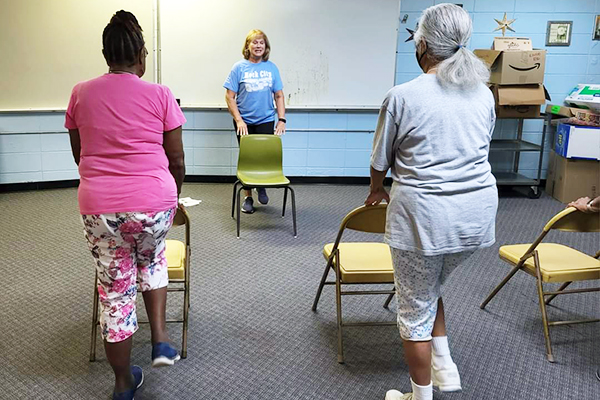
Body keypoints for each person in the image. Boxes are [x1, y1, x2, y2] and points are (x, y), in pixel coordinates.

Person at [364, 4, 497, 400]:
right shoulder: (484, 95)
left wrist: (376, 189)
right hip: (476, 218)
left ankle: (420, 397)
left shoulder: (403, 95)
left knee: (415, 309)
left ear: (421, 44)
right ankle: (446, 369)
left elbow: (379, 160)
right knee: (429, 287)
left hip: (425, 219)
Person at [65, 10, 186, 400]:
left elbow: (80, 154)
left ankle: (122, 383)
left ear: (106, 55)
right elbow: (177, 160)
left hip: (100, 208)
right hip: (154, 202)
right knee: (151, 258)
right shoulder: (160, 94)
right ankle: (162, 340)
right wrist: (172, 196)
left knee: (116, 289)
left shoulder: (81, 92)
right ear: (142, 55)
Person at [224, 29, 286, 214]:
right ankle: (248, 197)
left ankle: (262, 186)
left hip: (266, 119)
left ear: (266, 47)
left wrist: (281, 119)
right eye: (254, 42)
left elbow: (279, 95)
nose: (258, 46)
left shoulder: (271, 68)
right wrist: (239, 120)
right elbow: (229, 96)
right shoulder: (238, 68)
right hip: (244, 121)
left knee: (265, 156)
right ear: (248, 46)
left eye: (261, 43)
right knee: (248, 159)